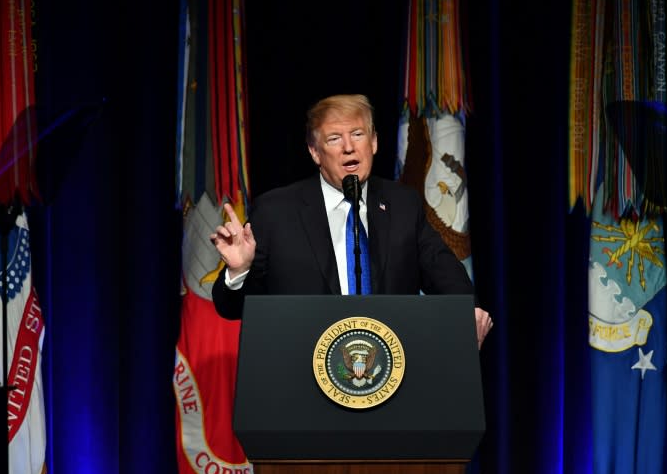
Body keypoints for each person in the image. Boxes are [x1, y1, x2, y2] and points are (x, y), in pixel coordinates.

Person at [210, 94, 493, 347]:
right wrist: (239, 272)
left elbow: (443, 271)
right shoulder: (276, 212)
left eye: (357, 134)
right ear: (314, 151)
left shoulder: (403, 204)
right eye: (334, 138)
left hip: (392, 375)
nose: (348, 147)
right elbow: (232, 307)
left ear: (374, 142)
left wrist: (467, 310)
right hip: (302, 377)